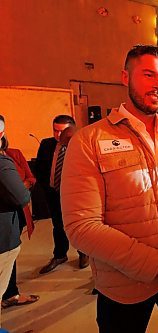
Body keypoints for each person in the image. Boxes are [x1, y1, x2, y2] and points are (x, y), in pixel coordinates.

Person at [60, 45, 158, 333]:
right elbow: (81, 226)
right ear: (125, 77)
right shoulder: (90, 140)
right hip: (122, 286)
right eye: (148, 74)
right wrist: (156, 264)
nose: (157, 85)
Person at [35, 115, 89, 274]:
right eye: (55, 130)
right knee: (58, 225)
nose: (58, 135)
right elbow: (40, 167)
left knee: (78, 226)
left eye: (62, 131)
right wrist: (47, 187)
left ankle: (83, 253)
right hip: (53, 193)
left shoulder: (81, 144)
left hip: (75, 196)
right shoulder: (46, 144)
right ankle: (59, 255)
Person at [1, 115, 39, 309]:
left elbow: (31, 178)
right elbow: (20, 195)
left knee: (11, 260)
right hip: (4, 230)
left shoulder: (14, 154)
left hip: (16, 218)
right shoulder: (3, 162)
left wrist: (22, 186)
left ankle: (11, 293)